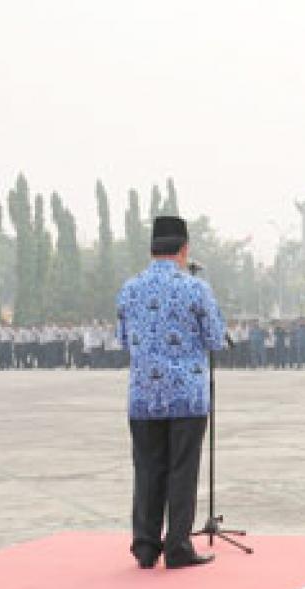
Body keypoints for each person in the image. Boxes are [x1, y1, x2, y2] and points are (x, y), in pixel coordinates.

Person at [116, 216, 224, 570]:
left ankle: (145, 547)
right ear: (184, 249)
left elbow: (123, 340)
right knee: (182, 471)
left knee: (147, 470)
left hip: (144, 395)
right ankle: (177, 547)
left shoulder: (130, 289)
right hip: (187, 396)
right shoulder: (196, 288)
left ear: (151, 249)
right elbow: (215, 338)